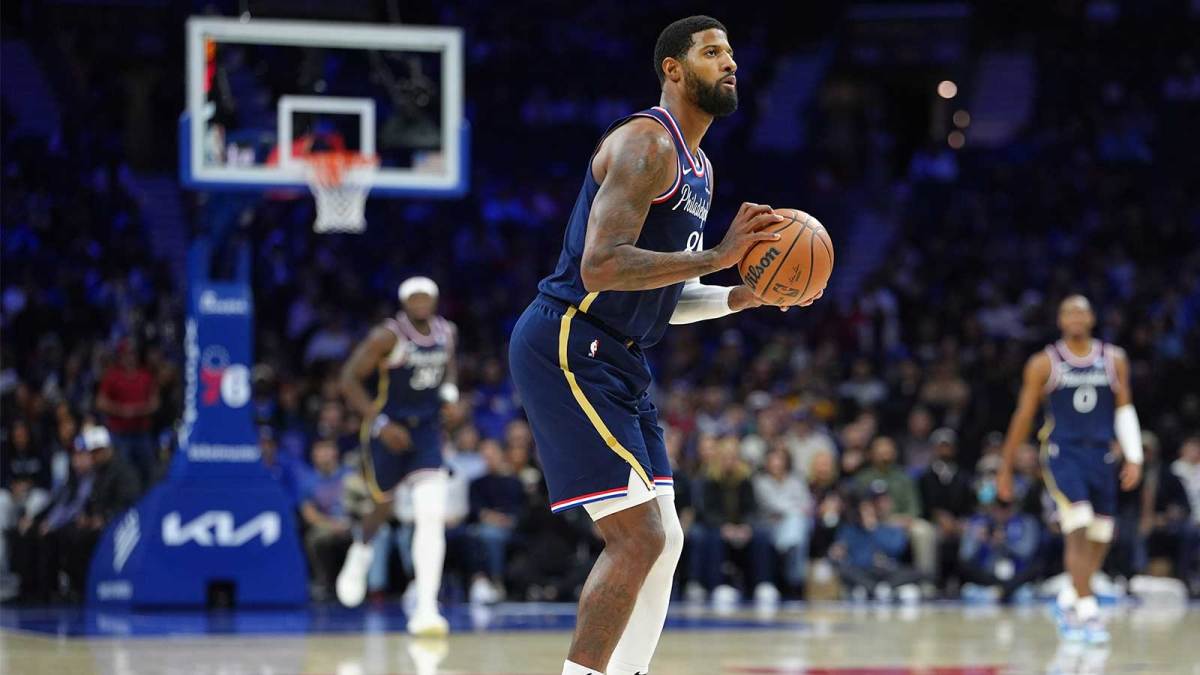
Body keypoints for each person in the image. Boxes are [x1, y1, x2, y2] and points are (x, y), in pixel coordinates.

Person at [507, 15, 822, 675]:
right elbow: (601, 266)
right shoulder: (647, 144)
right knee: (637, 535)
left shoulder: (699, 168)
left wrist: (742, 293)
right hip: (570, 339)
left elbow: (665, 297)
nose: (729, 62)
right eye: (712, 52)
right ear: (673, 69)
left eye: (732, 52)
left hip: (621, 354)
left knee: (666, 536)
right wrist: (718, 254)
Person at [997, 295, 1143, 644]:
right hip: (1064, 453)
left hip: (1102, 455)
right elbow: (1023, 415)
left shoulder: (1114, 358)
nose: (1075, 317)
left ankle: (1068, 598)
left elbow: (1125, 409)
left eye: (1081, 311)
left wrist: (1134, 456)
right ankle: (1088, 610)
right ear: (1060, 321)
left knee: (1102, 534)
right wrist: (1005, 467)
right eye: (1068, 312)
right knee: (1077, 524)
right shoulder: (1044, 362)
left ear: (1092, 318)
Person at [336, 276, 459, 636]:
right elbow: (348, 379)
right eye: (414, 297)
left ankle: (425, 608)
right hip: (388, 429)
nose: (421, 302)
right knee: (382, 506)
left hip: (426, 433)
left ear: (435, 300)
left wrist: (450, 396)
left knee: (431, 516)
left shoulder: (447, 332)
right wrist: (381, 424)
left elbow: (448, 368)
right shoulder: (387, 336)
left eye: (427, 296)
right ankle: (360, 552)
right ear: (404, 302)